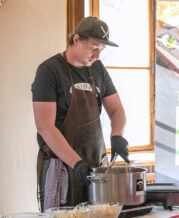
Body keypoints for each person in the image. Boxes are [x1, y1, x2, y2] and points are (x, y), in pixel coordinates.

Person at [32, 16, 130, 211]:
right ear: (76, 39)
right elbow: (45, 126)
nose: (98, 55)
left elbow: (116, 109)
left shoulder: (97, 68)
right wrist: (76, 163)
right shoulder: (49, 71)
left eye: (102, 49)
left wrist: (117, 134)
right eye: (94, 47)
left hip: (94, 165)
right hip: (60, 166)